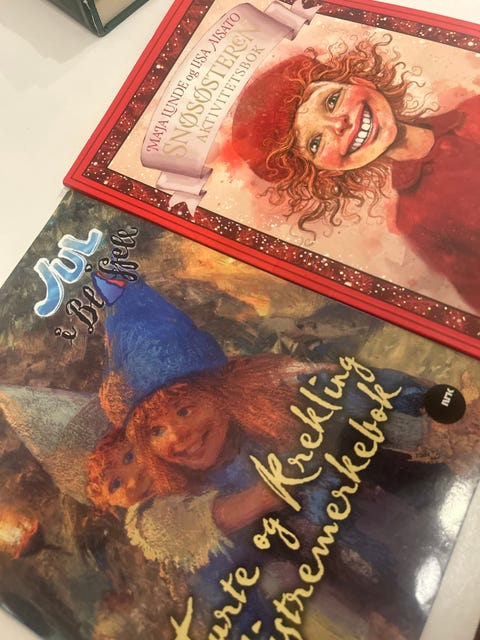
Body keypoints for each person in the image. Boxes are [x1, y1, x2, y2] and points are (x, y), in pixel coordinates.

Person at [230, 37, 480, 311]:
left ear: (360, 81)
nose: (338, 124)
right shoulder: (415, 220)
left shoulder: (474, 109)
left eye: (331, 100)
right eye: (315, 142)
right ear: (325, 172)